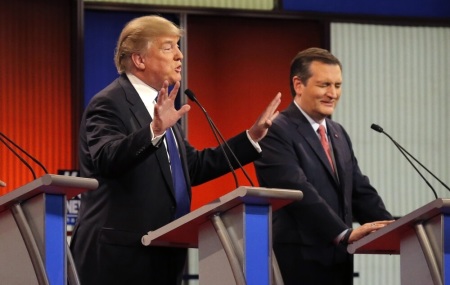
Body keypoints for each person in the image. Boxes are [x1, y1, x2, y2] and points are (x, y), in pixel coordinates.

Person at [70, 15, 281, 285]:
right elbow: (106, 159)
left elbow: (191, 167)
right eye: (168, 47)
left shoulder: (162, 105)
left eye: (178, 46)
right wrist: (154, 131)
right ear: (139, 59)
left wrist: (251, 138)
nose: (180, 55)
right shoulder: (109, 103)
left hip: (165, 254)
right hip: (120, 258)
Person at [253, 47, 394, 285]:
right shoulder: (276, 130)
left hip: (340, 261)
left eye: (337, 85)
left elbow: (359, 190)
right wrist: (343, 234)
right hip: (298, 262)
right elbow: (298, 190)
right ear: (299, 85)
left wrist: (396, 229)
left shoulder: (338, 133)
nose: (333, 93)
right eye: (324, 85)